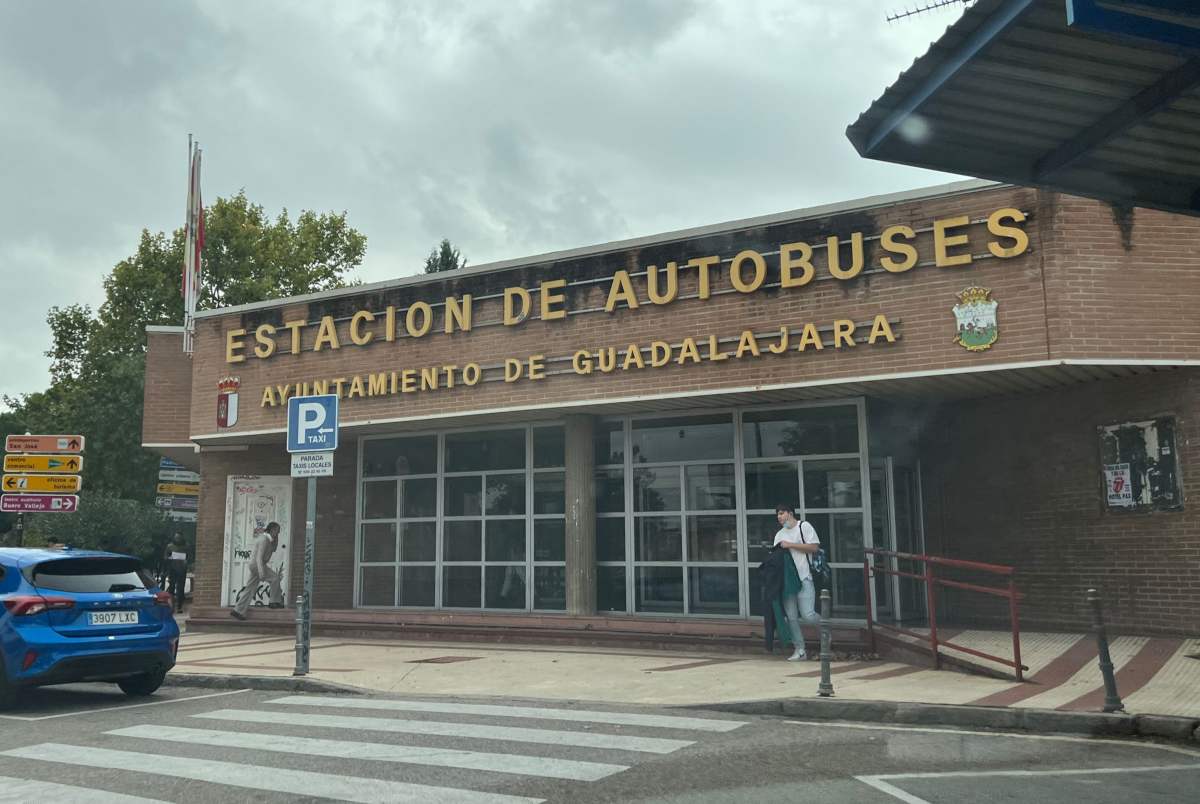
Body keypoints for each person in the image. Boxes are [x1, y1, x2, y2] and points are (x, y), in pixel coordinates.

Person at [773, 503, 821, 661]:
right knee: (791, 617)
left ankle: (825, 632)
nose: (779, 517)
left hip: (804, 577)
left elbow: (814, 548)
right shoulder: (779, 535)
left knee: (808, 614)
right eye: (778, 514)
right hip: (788, 582)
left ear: (790, 513)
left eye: (781, 513)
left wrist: (791, 545)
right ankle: (800, 649)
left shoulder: (804, 526)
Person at [231, 521, 284, 620]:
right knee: (275, 578)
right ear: (272, 530)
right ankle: (273, 602)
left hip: (255, 565)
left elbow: (274, 549)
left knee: (250, 588)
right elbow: (259, 557)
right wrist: (261, 572)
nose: (278, 533)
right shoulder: (264, 540)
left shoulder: (269, 540)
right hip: (257, 565)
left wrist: (276, 538)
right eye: (277, 531)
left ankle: (237, 610)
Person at [164, 532, 189, 613]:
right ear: (174, 538)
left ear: (182, 538)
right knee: (171, 587)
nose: (177, 539)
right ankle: (172, 606)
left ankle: (179, 606)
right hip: (172, 569)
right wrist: (169, 558)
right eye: (176, 537)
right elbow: (165, 557)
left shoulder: (186, 546)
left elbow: (190, 557)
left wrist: (187, 561)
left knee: (180, 589)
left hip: (182, 570)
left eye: (179, 537)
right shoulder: (169, 546)